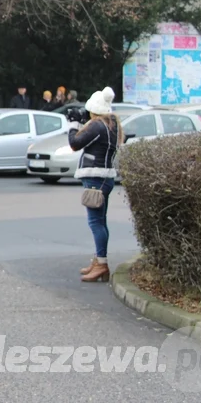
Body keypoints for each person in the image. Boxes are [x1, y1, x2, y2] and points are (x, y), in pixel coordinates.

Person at [68, 87, 121, 283]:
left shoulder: (98, 126)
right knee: (101, 221)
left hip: (95, 179)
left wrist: (73, 123)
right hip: (104, 179)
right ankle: (99, 261)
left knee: (95, 222)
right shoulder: (111, 125)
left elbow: (74, 143)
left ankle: (101, 264)